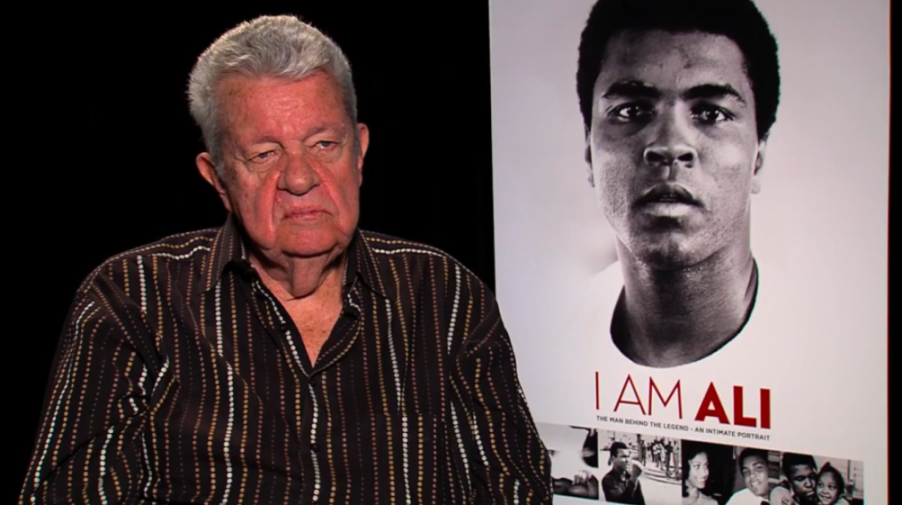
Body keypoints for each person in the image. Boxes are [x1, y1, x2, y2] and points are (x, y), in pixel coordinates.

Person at [19, 15, 551, 504]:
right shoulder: (130, 301)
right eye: (265, 154)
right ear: (219, 178)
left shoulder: (444, 295)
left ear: (359, 153)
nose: (299, 178)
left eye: (323, 144)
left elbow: (518, 491)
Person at [574, 0, 781, 368]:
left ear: (758, 158)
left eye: (711, 113)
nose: (669, 145)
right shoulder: (547, 342)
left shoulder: (837, 358)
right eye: (631, 110)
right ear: (589, 150)